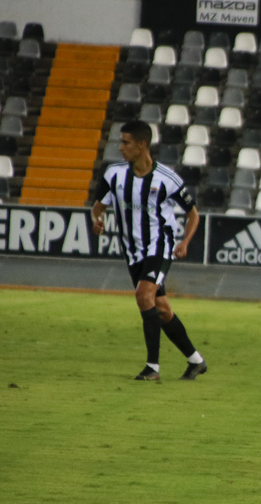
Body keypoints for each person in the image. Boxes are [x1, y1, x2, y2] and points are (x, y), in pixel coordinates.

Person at [91, 120, 207, 381]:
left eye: (125, 142)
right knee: (162, 309)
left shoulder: (168, 179)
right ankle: (196, 361)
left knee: (144, 296)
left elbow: (194, 215)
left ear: (142, 145)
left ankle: (152, 368)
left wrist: (185, 242)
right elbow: (98, 207)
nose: (120, 148)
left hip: (160, 245)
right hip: (132, 251)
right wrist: (96, 221)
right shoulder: (113, 174)